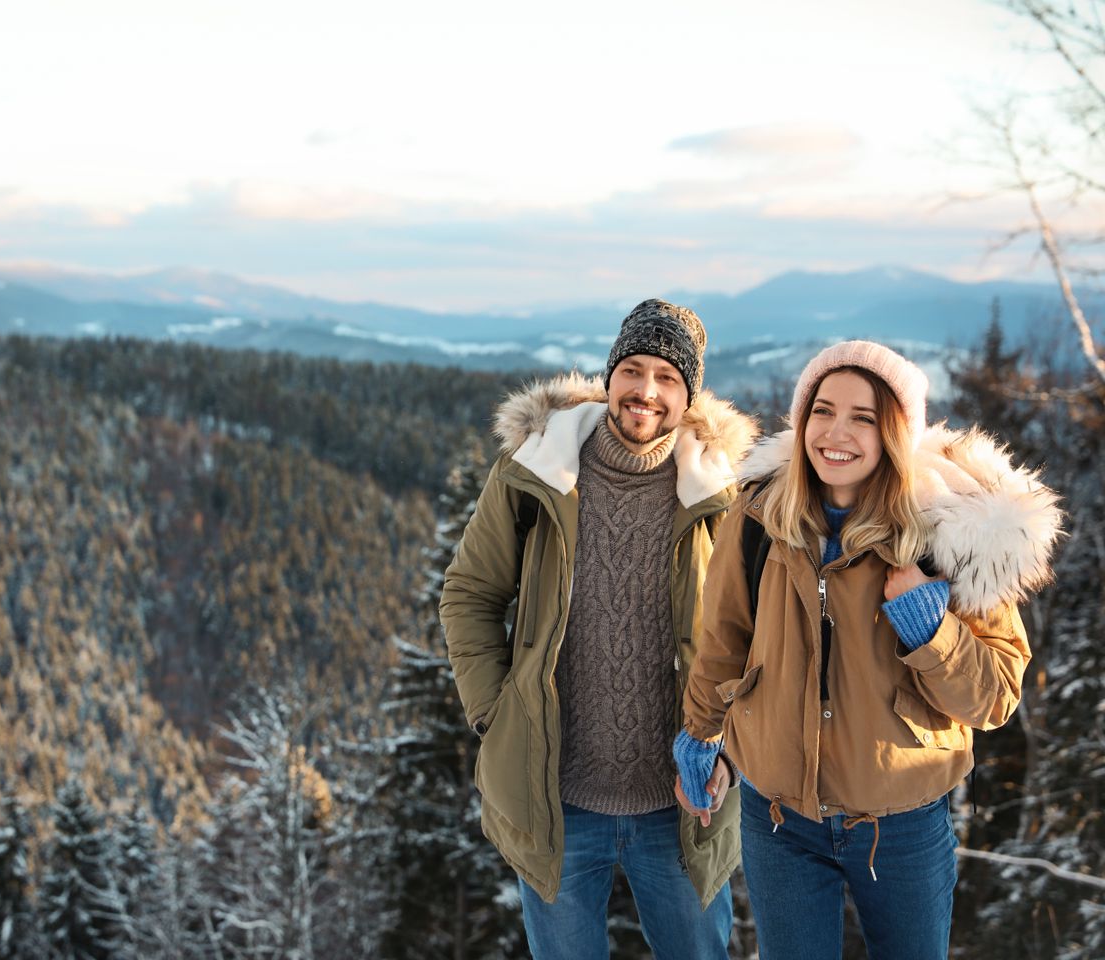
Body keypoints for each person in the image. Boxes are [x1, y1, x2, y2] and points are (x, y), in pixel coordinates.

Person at [673, 340, 1063, 960]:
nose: (837, 432)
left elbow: (996, 696)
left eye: (864, 417)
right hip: (778, 822)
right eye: (822, 410)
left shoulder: (949, 534)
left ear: (896, 434)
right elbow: (724, 640)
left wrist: (931, 633)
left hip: (901, 825)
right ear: (801, 421)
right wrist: (699, 733)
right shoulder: (758, 513)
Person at [439, 300, 757, 960]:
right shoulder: (537, 473)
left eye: (667, 378)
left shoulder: (722, 497)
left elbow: (760, 640)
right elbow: (470, 593)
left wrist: (729, 749)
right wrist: (495, 712)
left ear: (688, 394)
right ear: (611, 374)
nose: (646, 391)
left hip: (683, 802)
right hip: (558, 798)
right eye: (633, 370)